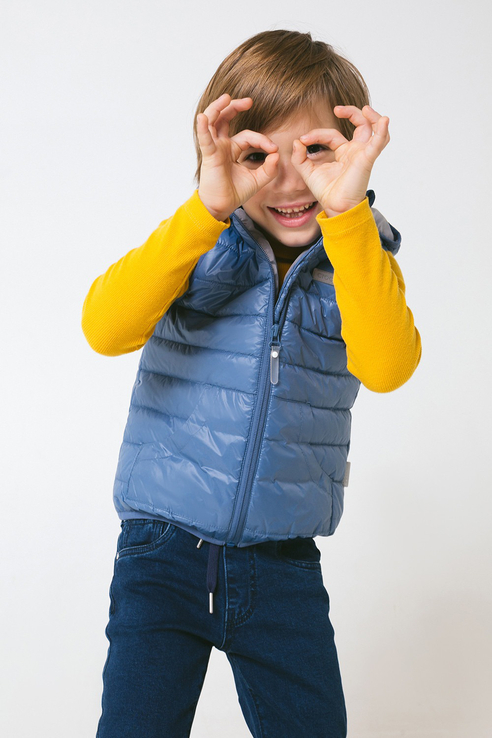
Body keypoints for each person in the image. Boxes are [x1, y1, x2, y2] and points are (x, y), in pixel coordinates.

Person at [82, 29, 421, 738]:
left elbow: (388, 367)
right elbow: (104, 329)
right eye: (262, 155)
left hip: (282, 567)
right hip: (161, 554)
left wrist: (347, 216)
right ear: (227, 153)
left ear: (353, 151)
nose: (292, 181)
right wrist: (205, 210)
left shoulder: (360, 256)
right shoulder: (196, 243)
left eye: (318, 151)